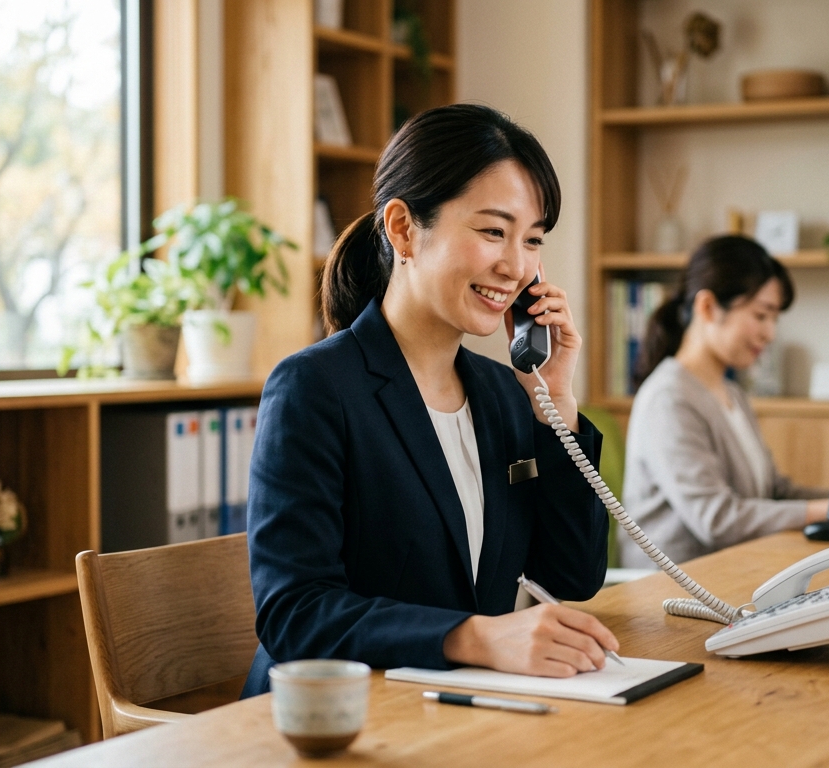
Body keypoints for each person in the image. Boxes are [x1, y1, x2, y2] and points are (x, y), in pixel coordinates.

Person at [242, 104, 617, 698]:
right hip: (331, 724)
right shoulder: (314, 388)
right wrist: (477, 638)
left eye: (533, 240)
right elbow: (295, 614)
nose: (515, 266)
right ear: (403, 229)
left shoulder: (503, 394)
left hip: (457, 711)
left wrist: (556, 402)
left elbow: (572, 575)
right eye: (493, 231)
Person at [619, 235, 829, 567]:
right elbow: (716, 519)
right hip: (675, 594)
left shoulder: (732, 394)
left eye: (774, 319)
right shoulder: (669, 398)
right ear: (707, 307)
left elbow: (773, 490)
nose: (770, 333)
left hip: (734, 573)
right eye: (761, 316)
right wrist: (827, 511)